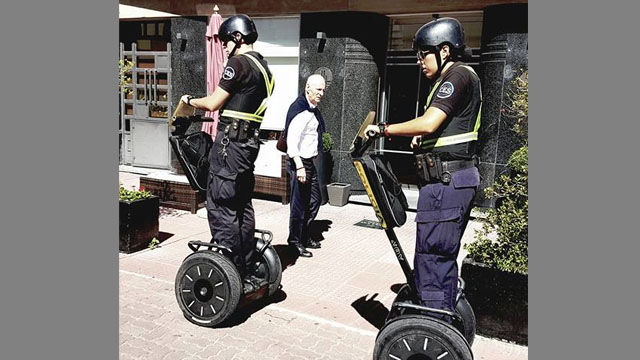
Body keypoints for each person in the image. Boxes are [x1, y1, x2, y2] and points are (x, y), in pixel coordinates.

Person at [365, 17, 482, 318]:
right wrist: (425, 139)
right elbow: (443, 127)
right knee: (437, 256)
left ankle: (432, 323)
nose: (419, 61)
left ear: (444, 51)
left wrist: (384, 129)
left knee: (433, 256)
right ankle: (439, 314)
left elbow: (431, 121)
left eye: (422, 54)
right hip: (450, 180)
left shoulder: (456, 76)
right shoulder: (457, 78)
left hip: (446, 183)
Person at [179, 14, 274, 290]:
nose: (222, 47)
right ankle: (245, 265)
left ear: (237, 38)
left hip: (229, 146)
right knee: (242, 204)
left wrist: (188, 101)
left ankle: (231, 269)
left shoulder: (238, 63)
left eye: (224, 41)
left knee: (221, 205)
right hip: (248, 146)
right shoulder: (264, 68)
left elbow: (213, 102)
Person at [285, 74, 327, 258]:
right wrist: (300, 166)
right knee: (298, 205)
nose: (321, 93)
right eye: (318, 89)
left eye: (323, 90)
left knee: (314, 200)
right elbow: (291, 141)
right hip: (299, 163)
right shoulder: (300, 109)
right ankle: (294, 242)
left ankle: (304, 234)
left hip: (308, 161)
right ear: (308, 88)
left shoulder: (313, 109)